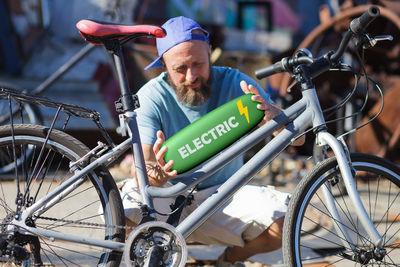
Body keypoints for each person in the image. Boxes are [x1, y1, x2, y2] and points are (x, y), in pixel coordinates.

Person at [120, 16, 305, 266]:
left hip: (225, 196)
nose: (191, 76)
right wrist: (157, 176)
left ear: (210, 52)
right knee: (120, 211)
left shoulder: (235, 82)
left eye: (198, 63)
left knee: (289, 221)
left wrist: (274, 118)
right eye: (180, 69)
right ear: (163, 64)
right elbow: (142, 168)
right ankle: (161, 259)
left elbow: (298, 140)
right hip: (167, 194)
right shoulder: (151, 97)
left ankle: (228, 260)